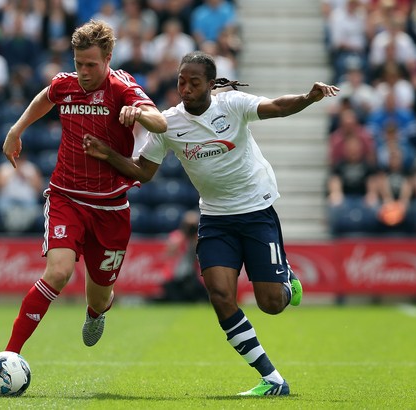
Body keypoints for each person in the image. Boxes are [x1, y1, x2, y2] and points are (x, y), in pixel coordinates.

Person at [83, 51, 339, 397]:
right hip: (216, 218)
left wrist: (309, 97)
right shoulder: (168, 123)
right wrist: (109, 155)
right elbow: (144, 171)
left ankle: (286, 278)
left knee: (272, 304)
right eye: (181, 81)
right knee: (219, 294)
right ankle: (272, 379)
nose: (185, 89)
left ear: (210, 84)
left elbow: (277, 106)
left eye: (194, 82)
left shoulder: (232, 105)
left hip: (256, 210)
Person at [1, 19, 167, 354]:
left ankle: (96, 312)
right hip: (67, 197)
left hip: (111, 207)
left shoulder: (122, 87)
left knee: (100, 295)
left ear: (108, 58)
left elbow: (160, 121)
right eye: (78, 64)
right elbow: (45, 98)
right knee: (58, 273)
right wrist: (16, 130)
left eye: (91, 65)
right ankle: (10, 354)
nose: (84, 72)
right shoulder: (66, 84)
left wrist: (138, 112)